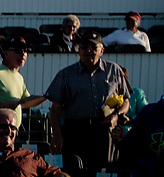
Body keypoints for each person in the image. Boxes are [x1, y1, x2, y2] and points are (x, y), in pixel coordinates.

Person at [45, 32, 131, 169]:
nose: (88, 51)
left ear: (102, 50)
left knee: (102, 175)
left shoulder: (114, 70)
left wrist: (117, 115)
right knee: (75, 173)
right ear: (78, 50)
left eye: (93, 47)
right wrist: (56, 134)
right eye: (84, 47)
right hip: (75, 131)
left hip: (104, 131)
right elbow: (55, 109)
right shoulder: (66, 75)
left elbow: (126, 101)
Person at [0, 36, 47, 137]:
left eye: (25, 51)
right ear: (6, 52)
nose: (23, 54)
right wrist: (3, 105)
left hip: (10, 135)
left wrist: (46, 96)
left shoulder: (19, 77)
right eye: (18, 50)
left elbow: (26, 102)